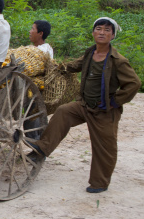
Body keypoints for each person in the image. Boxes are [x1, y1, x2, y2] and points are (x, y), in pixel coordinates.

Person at [30, 17, 141, 193]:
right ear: (93, 32)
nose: (102, 32)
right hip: (84, 105)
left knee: (105, 147)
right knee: (64, 111)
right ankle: (43, 147)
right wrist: (59, 67)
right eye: (98, 29)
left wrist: (114, 101)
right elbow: (76, 65)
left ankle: (99, 183)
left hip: (104, 110)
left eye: (106, 30)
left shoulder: (117, 60)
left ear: (112, 35)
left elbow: (134, 83)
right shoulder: (91, 53)